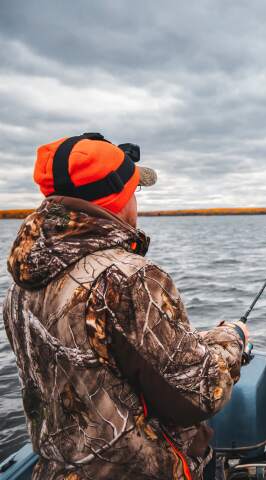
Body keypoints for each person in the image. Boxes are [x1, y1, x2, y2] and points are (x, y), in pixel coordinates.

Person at [3, 133, 249, 479]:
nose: (136, 201)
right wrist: (232, 338)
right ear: (115, 199)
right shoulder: (128, 278)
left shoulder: (21, 282)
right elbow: (200, 394)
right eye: (134, 190)